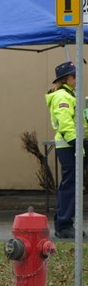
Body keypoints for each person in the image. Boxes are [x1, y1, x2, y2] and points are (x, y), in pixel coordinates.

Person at [46, 61, 86, 239]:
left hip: (73, 144)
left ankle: (62, 222)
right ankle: (64, 224)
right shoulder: (63, 97)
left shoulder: (70, 95)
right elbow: (66, 123)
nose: (77, 79)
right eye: (74, 76)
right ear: (66, 78)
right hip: (70, 145)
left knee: (69, 185)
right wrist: (77, 142)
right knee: (70, 186)